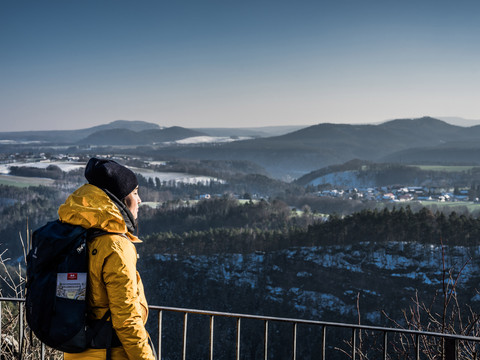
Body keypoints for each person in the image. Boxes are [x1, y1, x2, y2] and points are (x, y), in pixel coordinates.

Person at [60, 157, 155, 360]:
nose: (139, 200)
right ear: (120, 199)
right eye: (135, 193)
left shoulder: (75, 234)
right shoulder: (115, 246)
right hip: (110, 353)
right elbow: (127, 319)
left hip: (74, 352)